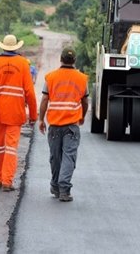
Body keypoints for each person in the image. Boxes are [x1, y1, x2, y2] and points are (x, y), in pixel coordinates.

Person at [0, 34, 37, 192]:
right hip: (15, 113)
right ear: (17, 47)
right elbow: (30, 93)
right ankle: (7, 181)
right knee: (10, 148)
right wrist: (33, 115)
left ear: (3, 47)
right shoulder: (22, 63)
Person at [38, 47, 89, 202]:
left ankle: (55, 185)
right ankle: (64, 189)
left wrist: (41, 119)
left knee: (55, 157)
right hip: (71, 126)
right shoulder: (81, 78)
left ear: (61, 59)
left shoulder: (51, 77)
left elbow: (45, 100)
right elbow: (85, 101)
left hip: (54, 125)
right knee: (69, 156)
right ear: (74, 60)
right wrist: (82, 116)